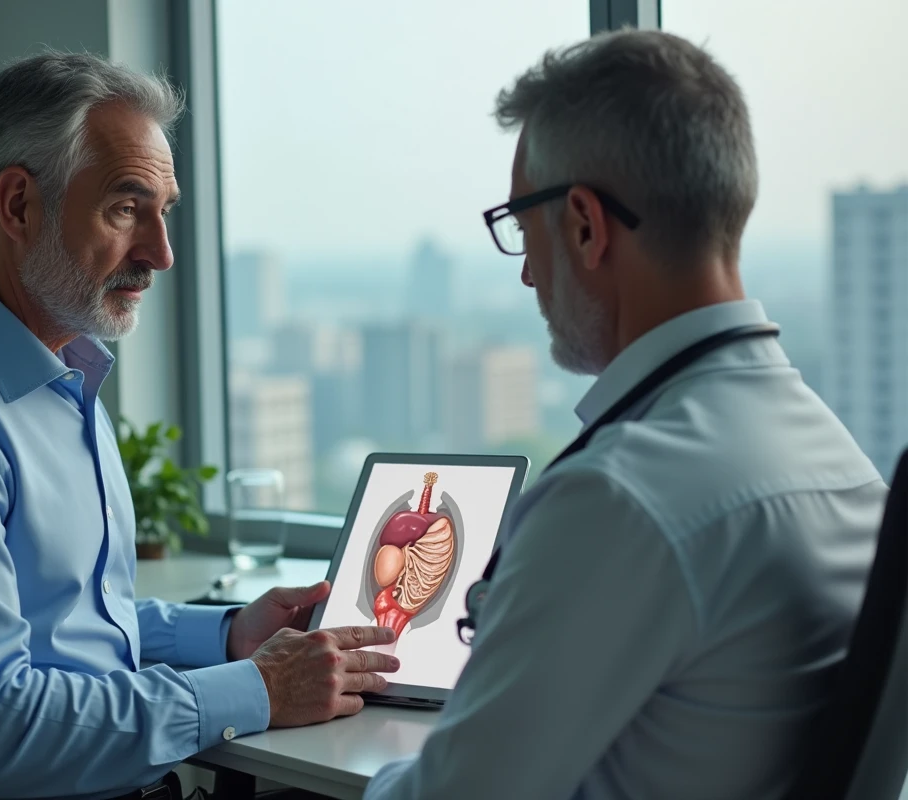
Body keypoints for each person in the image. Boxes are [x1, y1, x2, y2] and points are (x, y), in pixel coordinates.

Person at [0, 52, 398, 800]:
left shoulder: (63, 377)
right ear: (18, 206)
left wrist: (227, 636)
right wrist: (256, 690)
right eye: (126, 208)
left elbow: (74, 628)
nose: (161, 254)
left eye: (164, 211)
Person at [364, 29, 888, 800]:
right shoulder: (841, 464)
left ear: (583, 224)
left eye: (522, 228)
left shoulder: (618, 500)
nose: (528, 277)